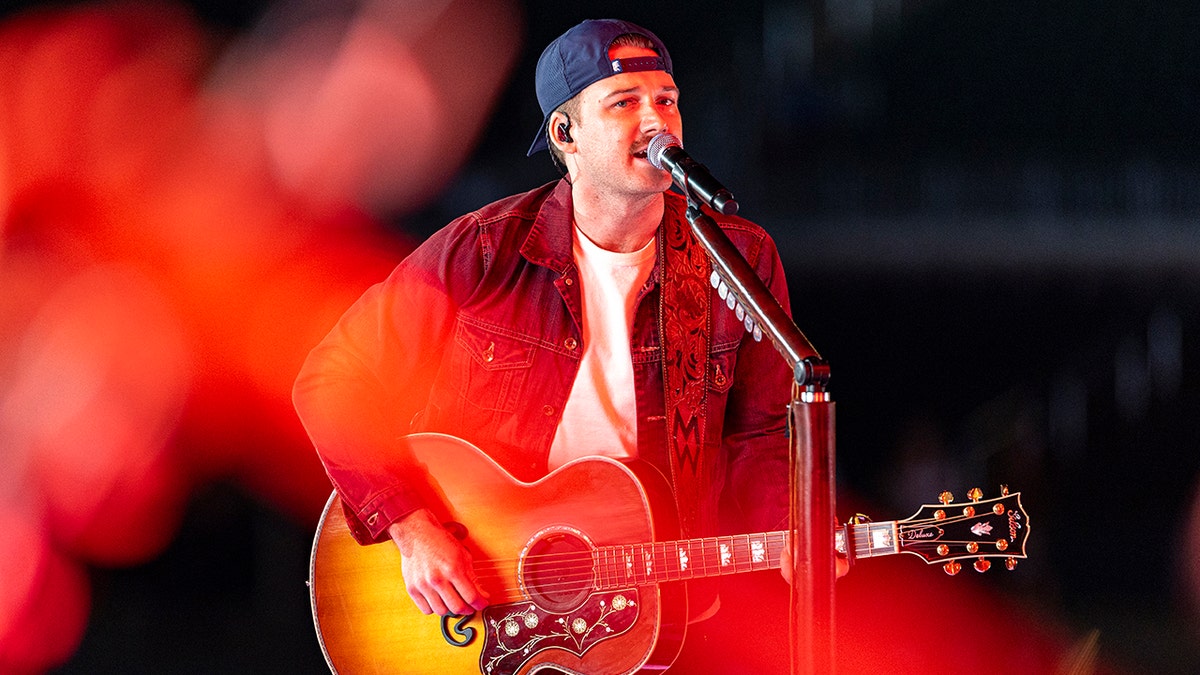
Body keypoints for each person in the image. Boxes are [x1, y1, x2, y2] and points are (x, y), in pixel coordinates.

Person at [293, 18, 804, 671]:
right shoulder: (482, 250)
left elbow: (763, 433)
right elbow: (333, 378)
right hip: (485, 612)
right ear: (566, 135)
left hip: (657, 625)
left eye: (667, 100)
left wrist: (792, 531)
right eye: (625, 103)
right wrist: (410, 525)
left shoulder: (736, 257)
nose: (656, 120)